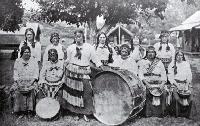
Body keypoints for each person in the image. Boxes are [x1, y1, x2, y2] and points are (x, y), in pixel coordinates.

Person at [62, 30, 102, 122]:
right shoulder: (70, 48)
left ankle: (85, 113)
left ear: (83, 37)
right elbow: (68, 59)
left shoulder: (89, 47)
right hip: (73, 72)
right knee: (74, 93)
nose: (78, 38)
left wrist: (100, 66)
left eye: (80, 36)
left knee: (86, 92)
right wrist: (64, 63)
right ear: (74, 38)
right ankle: (75, 112)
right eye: (76, 36)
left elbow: (95, 58)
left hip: (84, 72)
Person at [10, 45, 39, 117]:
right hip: (20, 82)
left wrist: (31, 82)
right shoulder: (17, 61)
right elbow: (15, 73)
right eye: (25, 52)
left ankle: (30, 111)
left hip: (31, 81)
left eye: (28, 52)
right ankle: (19, 111)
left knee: (32, 89)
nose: (27, 53)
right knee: (17, 90)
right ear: (22, 53)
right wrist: (19, 83)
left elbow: (36, 73)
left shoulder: (34, 61)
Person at [138, 46, 167, 117]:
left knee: (164, 92)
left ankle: (160, 113)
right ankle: (148, 113)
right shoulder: (142, 62)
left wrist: (162, 84)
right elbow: (140, 75)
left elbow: (164, 74)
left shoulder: (159, 62)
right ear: (146, 53)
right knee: (146, 92)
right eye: (149, 52)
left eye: (152, 52)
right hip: (147, 83)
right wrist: (147, 84)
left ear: (155, 53)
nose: (151, 54)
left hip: (158, 83)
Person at [168, 51, 193, 118]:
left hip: (185, 83)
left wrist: (187, 84)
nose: (179, 57)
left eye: (181, 55)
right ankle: (177, 113)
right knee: (176, 97)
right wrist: (177, 85)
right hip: (176, 83)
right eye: (178, 55)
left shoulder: (186, 64)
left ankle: (187, 114)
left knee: (190, 96)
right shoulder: (172, 64)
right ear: (175, 56)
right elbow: (170, 77)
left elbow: (189, 75)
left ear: (183, 56)